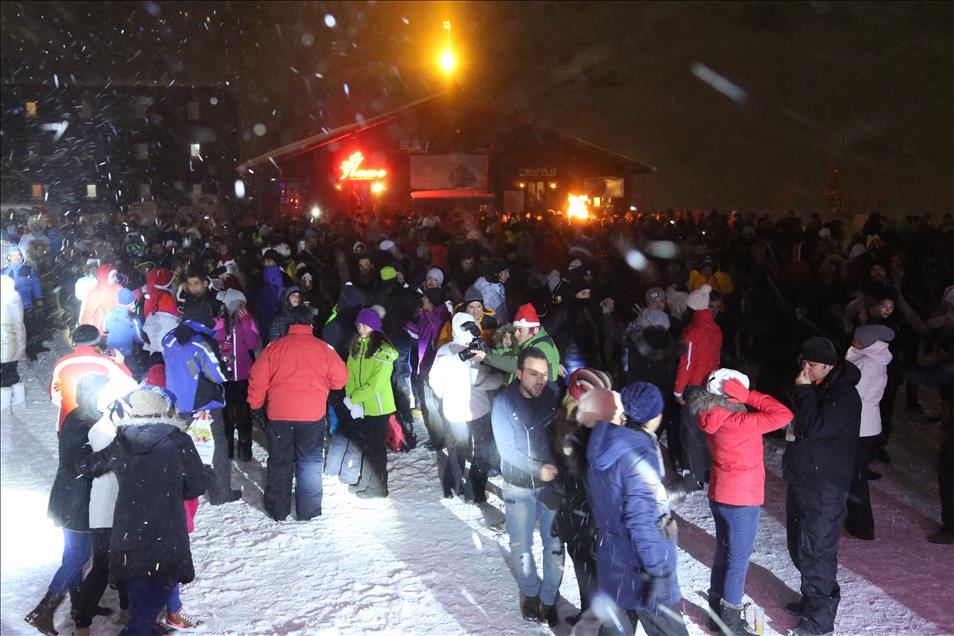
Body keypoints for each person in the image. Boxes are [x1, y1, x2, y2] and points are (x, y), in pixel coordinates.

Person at [76, 388, 208, 636]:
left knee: (138, 590)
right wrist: (171, 488)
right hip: (167, 527)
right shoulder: (178, 440)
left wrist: (80, 451)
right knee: (162, 583)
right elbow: (197, 486)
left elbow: (89, 466)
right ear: (163, 410)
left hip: (130, 528)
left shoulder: (122, 441)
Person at [584, 382, 688, 636]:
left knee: (617, 626)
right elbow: (641, 519)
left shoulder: (607, 442)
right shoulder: (639, 452)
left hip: (612, 554)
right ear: (654, 416)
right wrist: (658, 571)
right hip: (639, 564)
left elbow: (615, 497)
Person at [697, 369, 793, 634]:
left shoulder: (710, 415)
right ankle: (729, 622)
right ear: (734, 395)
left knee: (722, 553)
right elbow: (784, 415)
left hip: (719, 494)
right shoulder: (741, 422)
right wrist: (750, 396)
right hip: (742, 499)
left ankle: (716, 614)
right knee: (737, 562)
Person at [784, 336, 862, 636]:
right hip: (805, 477)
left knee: (817, 550)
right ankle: (811, 600)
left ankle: (820, 622)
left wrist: (803, 391)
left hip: (825, 485)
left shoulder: (844, 396)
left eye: (812, 364)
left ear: (829, 366)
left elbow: (815, 427)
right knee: (799, 545)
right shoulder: (820, 385)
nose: (805, 369)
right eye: (803, 362)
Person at [25, 375, 110, 636]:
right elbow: (87, 463)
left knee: (73, 553)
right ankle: (44, 609)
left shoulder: (75, 415)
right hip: (78, 499)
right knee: (79, 554)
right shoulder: (92, 422)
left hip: (67, 494)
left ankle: (79, 604)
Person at [248, 306, 348, 521]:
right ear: (311, 324)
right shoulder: (323, 348)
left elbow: (257, 377)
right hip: (312, 415)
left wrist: (256, 405)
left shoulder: (274, 348)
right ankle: (308, 510)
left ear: (289, 324)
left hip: (279, 415)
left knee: (280, 461)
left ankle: (278, 509)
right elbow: (340, 380)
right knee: (309, 462)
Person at [491, 347, 564, 626]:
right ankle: (531, 592)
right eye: (533, 374)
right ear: (519, 373)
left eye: (544, 374)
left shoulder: (554, 395)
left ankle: (549, 598)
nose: (540, 380)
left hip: (551, 485)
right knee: (520, 543)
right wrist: (538, 468)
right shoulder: (504, 402)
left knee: (554, 544)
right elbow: (507, 450)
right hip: (518, 485)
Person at [161, 305, 241, 505]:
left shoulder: (169, 339)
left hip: (177, 402)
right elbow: (218, 375)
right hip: (203, 402)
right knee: (215, 449)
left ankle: (187, 489)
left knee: (185, 447)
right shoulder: (201, 343)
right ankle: (220, 493)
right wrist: (226, 365)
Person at [431, 313, 505, 502]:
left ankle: (453, 486)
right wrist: (502, 380)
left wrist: (443, 396)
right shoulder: (473, 353)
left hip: (453, 410)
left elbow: (434, 380)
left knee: (458, 447)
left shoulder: (443, 350)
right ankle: (474, 491)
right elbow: (479, 381)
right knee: (483, 449)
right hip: (477, 409)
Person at [844, 324, 894, 540]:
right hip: (867, 424)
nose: (853, 340)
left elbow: (852, 393)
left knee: (855, 478)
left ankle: (861, 525)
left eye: (857, 338)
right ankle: (858, 521)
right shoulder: (874, 358)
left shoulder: (867, 363)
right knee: (856, 475)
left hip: (859, 425)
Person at [344, 307, 398, 498]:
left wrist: (353, 399)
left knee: (375, 448)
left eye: (365, 325)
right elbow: (349, 375)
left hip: (378, 407)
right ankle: (366, 481)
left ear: (375, 327)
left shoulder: (383, 352)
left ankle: (378, 487)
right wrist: (352, 400)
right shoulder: (357, 346)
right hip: (362, 407)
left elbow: (375, 385)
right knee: (367, 446)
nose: (361, 328)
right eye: (359, 325)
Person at [674, 284, 723, 490]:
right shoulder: (716, 330)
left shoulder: (692, 332)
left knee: (690, 430)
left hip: (694, 386)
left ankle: (693, 475)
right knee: (706, 429)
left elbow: (687, 364)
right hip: (710, 385)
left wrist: (678, 390)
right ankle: (706, 471)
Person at [50, 324, 133, 432]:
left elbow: (55, 397)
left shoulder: (62, 364)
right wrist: (121, 364)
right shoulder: (106, 363)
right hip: (100, 426)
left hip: (68, 425)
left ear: (74, 341)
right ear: (97, 341)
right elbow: (128, 387)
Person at [218, 289, 261, 461]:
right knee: (227, 415)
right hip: (225, 376)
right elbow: (215, 342)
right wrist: (223, 347)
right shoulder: (220, 321)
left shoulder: (247, 320)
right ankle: (228, 450)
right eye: (237, 304)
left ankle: (245, 451)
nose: (241, 307)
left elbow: (253, 343)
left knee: (244, 415)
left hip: (243, 375)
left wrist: (246, 322)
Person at [477, 303, 561, 382]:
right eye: (515, 330)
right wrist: (487, 351)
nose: (515, 334)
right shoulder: (527, 341)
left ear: (533, 331)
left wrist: (485, 357)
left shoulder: (543, 348)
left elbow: (517, 364)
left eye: (520, 330)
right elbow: (508, 354)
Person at [1, 245, 45, 359]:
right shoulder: (3, 272)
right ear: (8, 257)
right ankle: (16, 350)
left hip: (27, 304)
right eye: (13, 255)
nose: (16, 257)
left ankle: (31, 350)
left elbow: (36, 284)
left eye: (18, 255)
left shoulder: (28, 269)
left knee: (30, 327)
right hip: (10, 306)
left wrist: (39, 298)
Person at [1, 273, 27, 414]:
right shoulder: (15, 297)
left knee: (3, 375)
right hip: (17, 341)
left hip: (4, 343)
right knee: (12, 371)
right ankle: (19, 402)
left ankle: (4, 407)